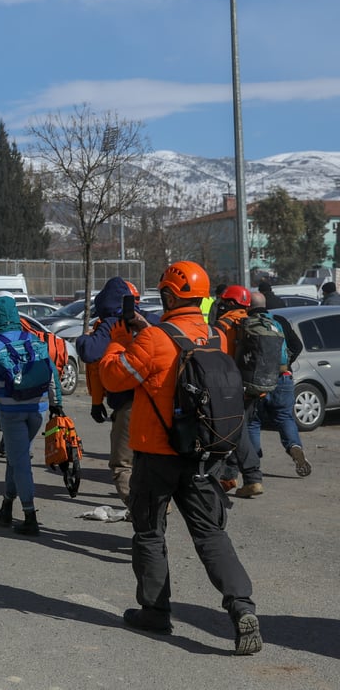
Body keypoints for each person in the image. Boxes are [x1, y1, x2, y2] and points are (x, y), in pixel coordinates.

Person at [98, 260, 262, 655]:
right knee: (211, 534)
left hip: (156, 455)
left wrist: (120, 340)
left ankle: (155, 612)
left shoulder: (152, 339)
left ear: (169, 296)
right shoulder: (213, 336)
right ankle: (242, 607)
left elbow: (112, 377)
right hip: (203, 453)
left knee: (150, 533)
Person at [0, 293, 60, 531]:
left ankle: (30, 516)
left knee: (20, 461)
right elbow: (52, 374)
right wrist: (57, 404)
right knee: (16, 457)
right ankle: (6, 506)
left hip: (11, 410)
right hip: (39, 408)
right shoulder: (32, 338)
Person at [76, 278, 160, 507]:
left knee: (122, 465)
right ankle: (159, 505)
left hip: (128, 404)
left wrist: (83, 339)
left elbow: (91, 354)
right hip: (158, 400)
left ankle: (144, 513)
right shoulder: (151, 320)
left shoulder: (111, 323)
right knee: (149, 459)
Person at [245, 290, 312, 478]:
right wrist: (286, 363)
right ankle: (295, 446)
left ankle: (253, 464)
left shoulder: (245, 323)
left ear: (248, 306)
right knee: (284, 417)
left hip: (256, 382)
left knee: (253, 422)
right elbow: (297, 346)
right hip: (283, 378)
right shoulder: (280, 321)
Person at [212, 286, 265, 497]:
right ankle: (228, 476)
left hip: (231, 387)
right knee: (238, 430)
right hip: (253, 386)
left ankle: (253, 477)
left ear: (230, 303)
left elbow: (217, 358)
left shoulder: (223, 325)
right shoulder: (252, 323)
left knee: (237, 432)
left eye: (224, 301)